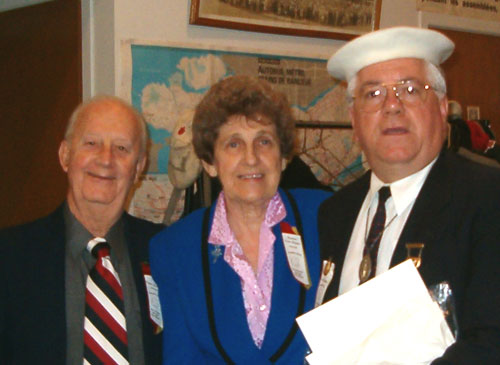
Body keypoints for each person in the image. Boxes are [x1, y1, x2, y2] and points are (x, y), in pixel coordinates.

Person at [318, 27, 500, 364]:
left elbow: (492, 344)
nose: (392, 106)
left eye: (411, 90)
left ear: (443, 107)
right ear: (354, 121)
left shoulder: (488, 200)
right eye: (373, 94)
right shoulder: (334, 213)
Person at [149, 75, 331, 364]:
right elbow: (181, 357)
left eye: (264, 142)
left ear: (283, 157)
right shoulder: (173, 250)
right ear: (209, 162)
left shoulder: (326, 219)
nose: (251, 158)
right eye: (233, 144)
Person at [0, 96, 163, 364]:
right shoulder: (10, 259)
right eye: (91, 143)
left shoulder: (164, 252)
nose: (106, 159)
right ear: (65, 155)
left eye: (121, 148)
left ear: (138, 167)